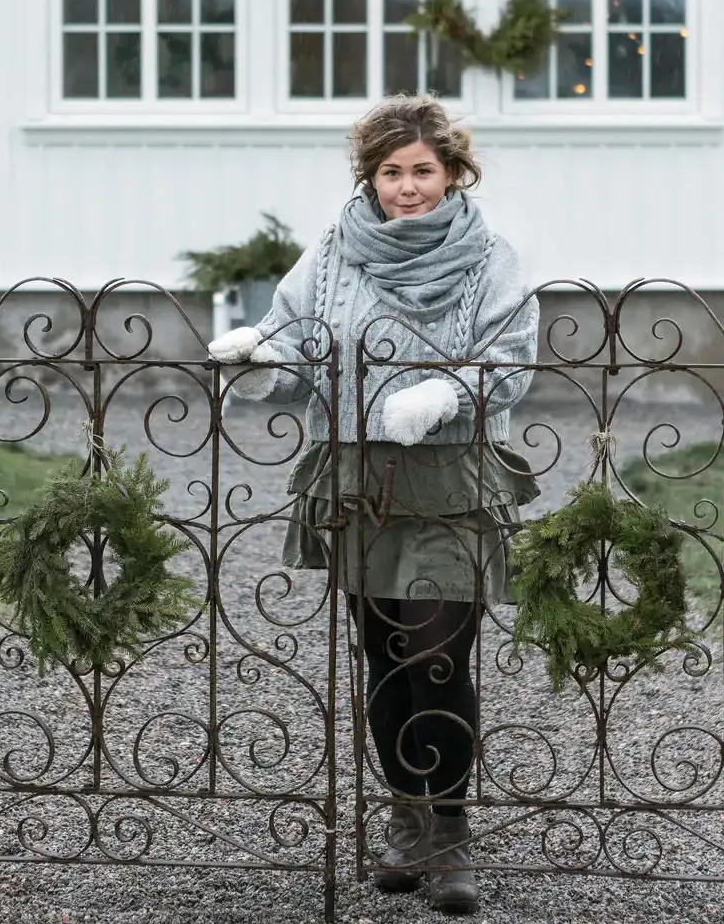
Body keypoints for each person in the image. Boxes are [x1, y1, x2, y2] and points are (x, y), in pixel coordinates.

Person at [208, 94, 539, 915]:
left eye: (423, 170)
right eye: (390, 172)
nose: (407, 187)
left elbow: (513, 355)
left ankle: (451, 829)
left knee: (437, 654)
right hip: (354, 475)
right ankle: (404, 819)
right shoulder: (331, 252)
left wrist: (444, 395)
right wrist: (259, 354)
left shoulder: (489, 256)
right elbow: (296, 333)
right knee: (384, 653)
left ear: (454, 173)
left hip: (449, 477)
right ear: (371, 178)